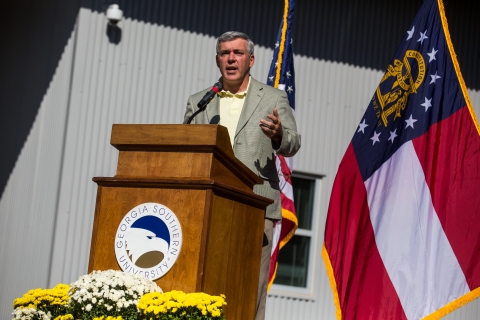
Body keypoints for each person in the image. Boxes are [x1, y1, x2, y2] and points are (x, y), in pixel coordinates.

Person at [183, 31, 301, 320]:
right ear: (217, 60)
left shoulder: (273, 97)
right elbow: (186, 147)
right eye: (225, 53)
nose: (230, 58)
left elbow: (293, 143)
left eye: (237, 53)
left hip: (256, 204)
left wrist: (279, 135)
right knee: (205, 282)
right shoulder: (200, 101)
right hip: (210, 204)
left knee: (250, 288)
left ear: (251, 60)